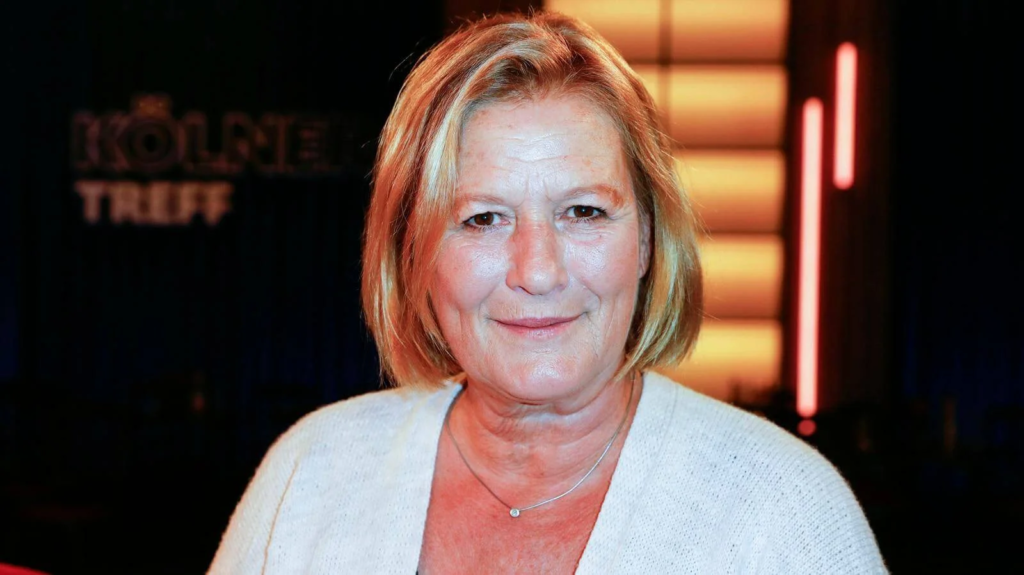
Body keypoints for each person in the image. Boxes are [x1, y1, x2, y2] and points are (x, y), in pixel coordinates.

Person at [209, 11, 886, 574]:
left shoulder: (784, 510)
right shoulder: (311, 471)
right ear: (414, 254)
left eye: (584, 212)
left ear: (647, 240)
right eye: (483, 218)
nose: (537, 270)